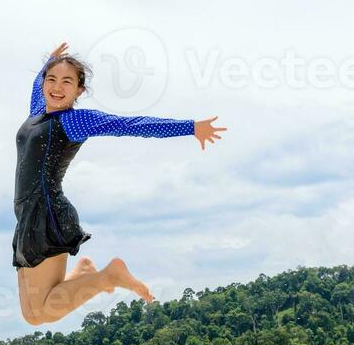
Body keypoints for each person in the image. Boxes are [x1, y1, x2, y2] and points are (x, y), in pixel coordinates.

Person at [14, 43, 224, 326]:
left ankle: (108, 276)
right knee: (31, 315)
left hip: (48, 215)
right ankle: (85, 273)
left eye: (67, 81)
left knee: (42, 312)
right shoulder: (36, 111)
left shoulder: (75, 121)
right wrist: (48, 62)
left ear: (79, 90)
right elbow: (37, 84)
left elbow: (130, 124)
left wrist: (190, 127)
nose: (57, 86)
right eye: (51, 79)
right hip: (27, 216)